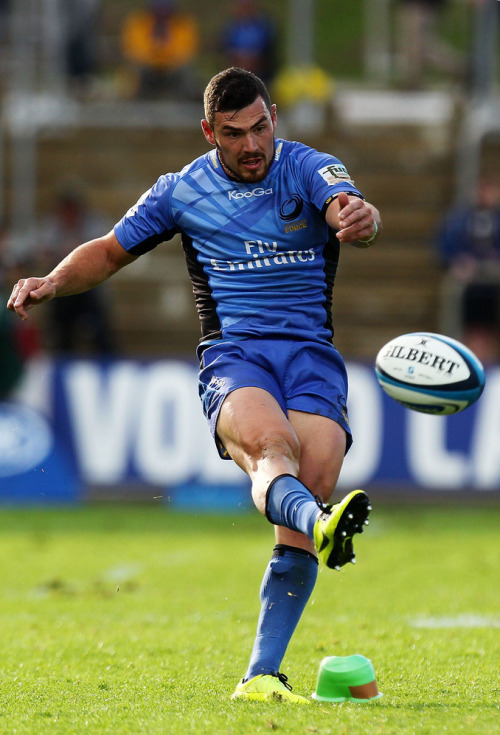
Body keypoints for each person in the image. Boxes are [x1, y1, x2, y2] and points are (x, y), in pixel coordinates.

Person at [7, 67, 381, 703]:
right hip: (236, 358)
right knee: (272, 449)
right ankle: (319, 529)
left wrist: (359, 217)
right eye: (236, 134)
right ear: (210, 132)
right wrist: (49, 281)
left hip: (311, 355)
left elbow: (347, 206)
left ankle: (261, 675)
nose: (253, 143)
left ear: (273, 119)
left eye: (262, 126)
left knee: (314, 475)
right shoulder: (181, 191)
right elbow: (106, 250)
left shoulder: (308, 167)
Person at [38, 185, 116, 356]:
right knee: (60, 325)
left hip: (90, 287)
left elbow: (103, 254)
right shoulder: (52, 227)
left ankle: (108, 358)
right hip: (62, 289)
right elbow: (44, 255)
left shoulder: (93, 223)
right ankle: (62, 356)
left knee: (99, 324)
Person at [437, 174, 500, 364]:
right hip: (470, 288)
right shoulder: (459, 218)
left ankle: (487, 359)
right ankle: (471, 360)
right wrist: (457, 261)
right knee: (470, 325)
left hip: (493, 287)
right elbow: (444, 244)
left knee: (488, 326)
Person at [121, 0, 199, 100]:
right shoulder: (139, 23)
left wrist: (161, 51)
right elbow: (135, 51)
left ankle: (187, 102)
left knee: (186, 69)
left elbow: (185, 52)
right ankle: (136, 101)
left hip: (172, 68)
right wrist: (158, 50)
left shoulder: (182, 24)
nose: (161, 14)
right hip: (148, 67)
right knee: (135, 69)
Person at [219, 0, 278, 86]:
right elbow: (226, 50)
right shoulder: (230, 27)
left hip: (261, 73)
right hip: (236, 71)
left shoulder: (264, 26)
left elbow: (268, 51)